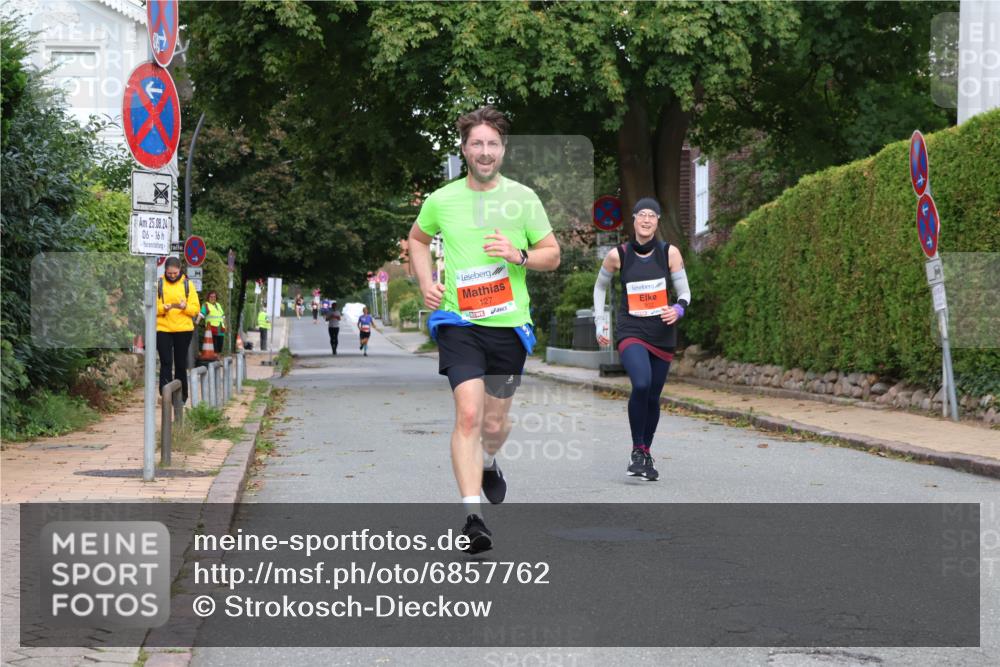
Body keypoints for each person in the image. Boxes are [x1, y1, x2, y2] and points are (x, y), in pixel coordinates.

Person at [407, 106, 560, 553]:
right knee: (469, 414)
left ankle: (490, 460)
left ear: (503, 150)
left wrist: (519, 255)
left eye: (493, 143)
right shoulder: (442, 199)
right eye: (477, 143)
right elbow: (417, 239)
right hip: (458, 322)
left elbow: (552, 254)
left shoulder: (524, 198)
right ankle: (473, 517)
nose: (485, 151)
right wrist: (425, 284)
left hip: (509, 325)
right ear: (464, 148)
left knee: (494, 423)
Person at [593, 197, 691, 482]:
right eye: (642, 215)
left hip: (662, 332)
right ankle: (637, 451)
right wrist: (602, 322)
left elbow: (684, 291)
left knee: (652, 396)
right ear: (633, 219)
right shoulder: (618, 255)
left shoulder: (669, 253)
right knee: (642, 383)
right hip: (631, 330)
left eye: (652, 215)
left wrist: (678, 309)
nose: (647, 220)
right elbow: (600, 287)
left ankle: (645, 452)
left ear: (658, 221)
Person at [156, 257, 200, 403]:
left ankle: (182, 396)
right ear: (165, 271)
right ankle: (165, 395)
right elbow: (152, 308)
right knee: (166, 362)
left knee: (180, 363)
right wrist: (163, 308)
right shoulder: (159, 284)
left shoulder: (188, 284)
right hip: (163, 328)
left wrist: (184, 307)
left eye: (175, 273)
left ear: (180, 270)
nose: (173, 276)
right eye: (170, 273)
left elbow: (195, 309)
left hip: (183, 329)